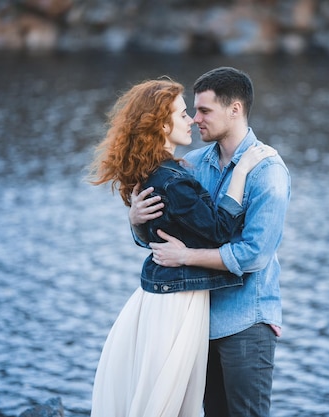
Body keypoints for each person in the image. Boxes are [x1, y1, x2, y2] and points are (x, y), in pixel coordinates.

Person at [87, 77, 276, 417]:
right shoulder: (189, 168)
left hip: (233, 314)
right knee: (168, 403)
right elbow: (198, 230)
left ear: (234, 110)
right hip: (180, 304)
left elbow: (254, 254)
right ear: (161, 123)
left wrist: (267, 313)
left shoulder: (267, 171)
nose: (193, 119)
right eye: (187, 112)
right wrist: (136, 222)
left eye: (201, 111)